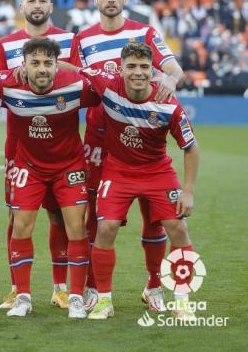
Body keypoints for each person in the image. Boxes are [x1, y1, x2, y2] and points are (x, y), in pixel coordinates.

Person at [70, 0, 185, 311]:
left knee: (155, 218)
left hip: (140, 141)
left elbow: (173, 68)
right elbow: (71, 78)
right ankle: (94, 288)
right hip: (97, 141)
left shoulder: (144, 32)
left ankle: (154, 287)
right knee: (97, 219)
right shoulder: (83, 39)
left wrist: (173, 82)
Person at [0, 37, 98, 318]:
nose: (42, 69)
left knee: (76, 228)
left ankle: (77, 298)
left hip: (69, 167)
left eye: (48, 63)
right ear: (24, 66)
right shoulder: (8, 83)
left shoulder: (76, 83)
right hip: (29, 168)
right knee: (21, 226)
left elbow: (112, 85)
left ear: (58, 66)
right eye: (35, 63)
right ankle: (23, 298)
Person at [80, 42, 198, 321]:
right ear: (120, 69)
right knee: (105, 227)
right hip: (118, 171)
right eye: (131, 66)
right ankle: (103, 301)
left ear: (153, 70)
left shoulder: (168, 102)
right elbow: (72, 70)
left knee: (178, 228)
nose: (138, 73)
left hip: (157, 171)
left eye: (144, 67)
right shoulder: (106, 84)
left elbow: (191, 148)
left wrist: (188, 191)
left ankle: (182, 301)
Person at [0, 0, 76, 310]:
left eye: (42, 0)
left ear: (51, 5)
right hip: (19, 144)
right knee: (17, 216)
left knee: (60, 215)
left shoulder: (70, 41)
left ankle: (60, 288)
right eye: (31, 0)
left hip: (61, 142)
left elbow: (80, 80)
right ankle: (17, 288)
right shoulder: (6, 44)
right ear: (21, 5)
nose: (37, 5)